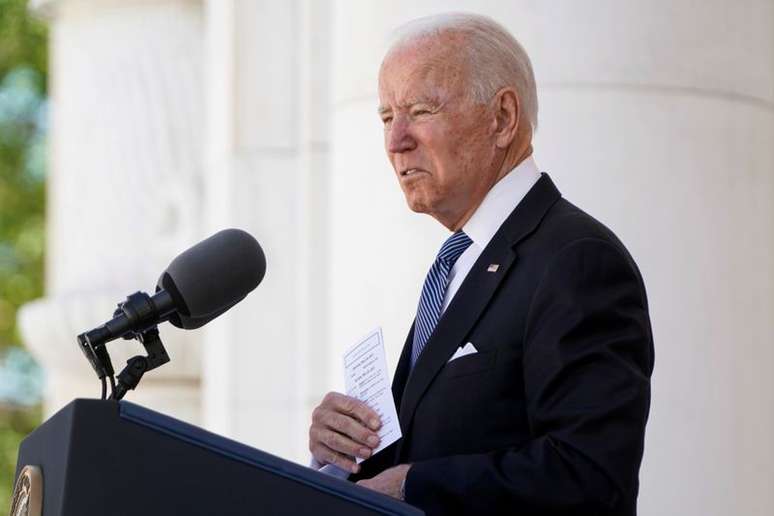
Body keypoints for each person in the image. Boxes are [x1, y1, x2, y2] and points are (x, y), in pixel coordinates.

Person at [308, 13, 654, 516]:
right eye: (386, 117)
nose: (395, 140)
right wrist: (341, 457)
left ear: (503, 118)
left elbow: (590, 477)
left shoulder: (577, 260)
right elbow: (434, 449)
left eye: (421, 110)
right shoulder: (458, 262)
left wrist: (415, 486)